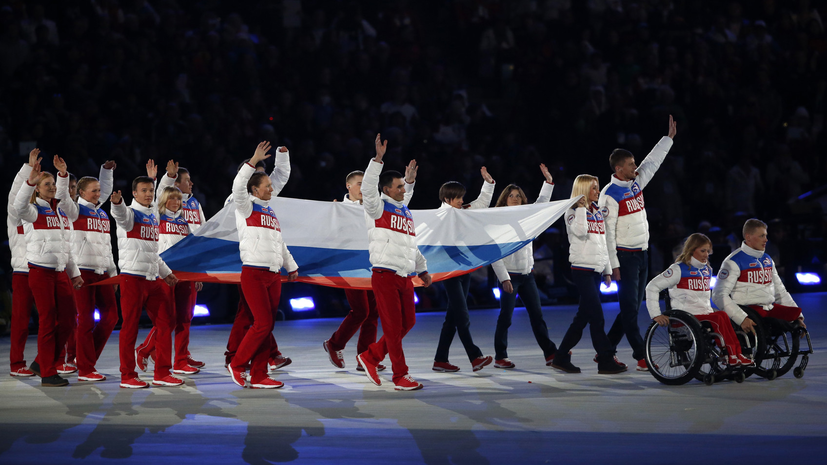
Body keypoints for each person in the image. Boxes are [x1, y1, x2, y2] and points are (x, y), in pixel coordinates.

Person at [598, 115, 677, 371]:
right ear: (619, 168)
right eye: (631, 164)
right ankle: (641, 355)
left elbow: (651, 163)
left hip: (642, 255)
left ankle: (605, 350)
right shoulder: (609, 195)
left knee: (630, 308)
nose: (636, 167)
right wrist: (612, 266)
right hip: (625, 258)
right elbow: (606, 234)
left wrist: (668, 139)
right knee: (630, 311)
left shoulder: (635, 184)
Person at [324, 161, 417, 372]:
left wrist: (409, 182)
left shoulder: (376, 205)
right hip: (351, 265)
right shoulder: (337, 208)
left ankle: (363, 357)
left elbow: (402, 203)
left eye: (364, 183)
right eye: (358, 183)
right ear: (348, 186)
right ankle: (335, 344)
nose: (362, 187)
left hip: (375, 262)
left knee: (373, 313)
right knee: (361, 311)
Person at [356, 133, 432, 391]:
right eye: (398, 186)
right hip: (385, 273)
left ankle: (371, 356)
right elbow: (367, 188)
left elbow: (411, 243)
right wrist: (377, 160)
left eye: (404, 186)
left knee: (407, 323)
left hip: (404, 275)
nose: (403, 190)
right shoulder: (376, 208)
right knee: (391, 326)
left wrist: (422, 268)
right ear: (386, 190)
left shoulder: (403, 211)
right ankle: (400, 376)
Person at [227, 141, 299, 389]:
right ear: (255, 190)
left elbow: (279, 241)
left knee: (267, 326)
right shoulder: (245, 207)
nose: (271, 189)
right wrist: (251, 161)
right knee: (262, 323)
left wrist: (291, 265)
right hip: (254, 273)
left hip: (273, 274)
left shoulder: (269, 211)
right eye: (267, 186)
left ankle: (259, 375)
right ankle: (236, 365)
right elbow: (238, 186)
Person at [13, 154, 84, 387]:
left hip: (60, 272)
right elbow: (18, 206)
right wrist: (29, 182)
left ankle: (41, 362)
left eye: (54, 184)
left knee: (69, 321)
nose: (52, 188)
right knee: (47, 321)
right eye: (48, 185)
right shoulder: (32, 211)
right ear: (38, 189)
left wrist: (74, 273)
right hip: (40, 273)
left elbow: (66, 246)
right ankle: (47, 373)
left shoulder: (62, 213)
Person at [110, 161, 182, 388]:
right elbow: (120, 215)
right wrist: (118, 203)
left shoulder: (153, 216)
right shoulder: (129, 214)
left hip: (153, 278)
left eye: (150, 191)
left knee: (166, 322)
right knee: (130, 326)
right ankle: (127, 376)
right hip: (132, 278)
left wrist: (166, 273)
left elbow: (152, 251)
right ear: (134, 194)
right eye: (144, 191)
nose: (149, 194)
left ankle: (162, 373)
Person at [551, 175, 626, 374]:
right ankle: (605, 360)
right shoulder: (572, 211)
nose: (597, 191)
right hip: (581, 271)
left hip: (595, 272)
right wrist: (582, 208)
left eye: (597, 187)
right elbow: (581, 232)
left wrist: (607, 271)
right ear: (583, 190)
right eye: (593, 188)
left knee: (582, 318)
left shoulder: (598, 212)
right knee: (597, 318)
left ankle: (560, 357)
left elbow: (604, 243)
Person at [135, 160, 205, 374]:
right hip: (165, 271)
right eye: (172, 196)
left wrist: (198, 270)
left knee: (185, 316)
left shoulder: (190, 212)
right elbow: (158, 195)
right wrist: (168, 177)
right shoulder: (158, 212)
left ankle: (181, 359)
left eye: (178, 198)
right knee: (169, 317)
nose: (191, 184)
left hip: (187, 271)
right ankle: (146, 349)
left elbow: (199, 238)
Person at [646, 233, 754, 366]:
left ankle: (736, 353)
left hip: (703, 314)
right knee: (719, 317)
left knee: (722, 315)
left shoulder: (706, 270)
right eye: (703, 251)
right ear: (692, 249)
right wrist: (656, 314)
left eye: (708, 251)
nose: (706, 254)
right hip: (685, 316)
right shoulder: (678, 269)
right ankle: (730, 354)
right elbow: (652, 286)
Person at [490, 164, 558, 369]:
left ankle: (550, 353)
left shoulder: (528, 218)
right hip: (509, 276)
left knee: (537, 316)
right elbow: (495, 253)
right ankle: (500, 356)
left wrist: (548, 183)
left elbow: (542, 204)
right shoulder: (498, 222)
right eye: (511, 195)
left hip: (527, 276)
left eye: (518, 195)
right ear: (504, 199)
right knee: (506, 318)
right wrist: (504, 278)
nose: (516, 198)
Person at [431, 167, 496, 373]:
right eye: (458, 197)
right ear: (448, 198)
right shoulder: (438, 217)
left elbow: (481, 203)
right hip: (450, 272)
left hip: (465, 269)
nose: (461, 200)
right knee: (461, 314)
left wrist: (488, 183)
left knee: (453, 316)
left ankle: (440, 360)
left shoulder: (463, 211)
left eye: (462, 197)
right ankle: (475, 356)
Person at [63, 160, 119, 381]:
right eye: (93, 191)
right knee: (85, 320)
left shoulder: (102, 215)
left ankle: (85, 359)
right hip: (82, 271)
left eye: (99, 190)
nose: (98, 194)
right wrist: (62, 175)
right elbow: (64, 194)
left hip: (102, 271)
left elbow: (108, 246)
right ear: (80, 193)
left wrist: (113, 274)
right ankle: (85, 369)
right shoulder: (74, 211)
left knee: (112, 316)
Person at [711, 218, 806, 330]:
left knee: (796, 313)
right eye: (761, 236)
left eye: (766, 235)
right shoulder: (733, 261)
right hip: (750, 311)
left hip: (768, 309)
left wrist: (798, 318)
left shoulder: (767, 259)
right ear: (748, 237)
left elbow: (780, 291)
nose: (766, 240)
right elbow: (718, 294)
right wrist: (741, 318)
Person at [8, 149, 39, 377]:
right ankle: (16, 363)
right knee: (20, 319)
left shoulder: (41, 213)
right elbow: (13, 195)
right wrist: (27, 171)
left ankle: (46, 360)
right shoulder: (15, 214)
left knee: (58, 316)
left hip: (45, 271)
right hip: (22, 272)